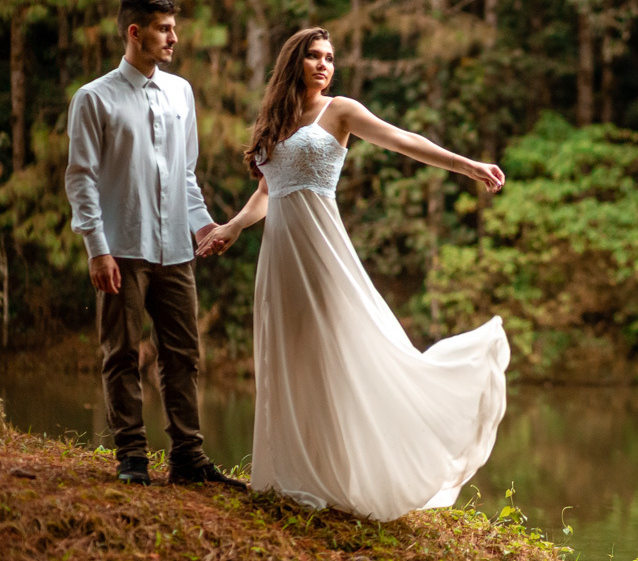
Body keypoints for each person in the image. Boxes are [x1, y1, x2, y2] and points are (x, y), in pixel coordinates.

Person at [196, 27, 510, 520]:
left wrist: (466, 165)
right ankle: (290, 476)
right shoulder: (273, 121)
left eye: (330, 58)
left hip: (321, 252)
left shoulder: (339, 110)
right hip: (279, 257)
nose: (324, 65)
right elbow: (268, 189)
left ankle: (345, 477)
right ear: (292, 62)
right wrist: (233, 227)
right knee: (289, 357)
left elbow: (402, 140)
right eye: (314, 56)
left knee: (337, 351)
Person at [65, 0, 245, 489]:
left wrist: (204, 225)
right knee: (121, 353)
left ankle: (188, 458)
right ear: (134, 32)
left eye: (173, 27)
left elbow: (186, 173)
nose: (174, 37)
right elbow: (81, 178)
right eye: (164, 28)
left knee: (183, 355)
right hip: (121, 246)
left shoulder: (181, 92)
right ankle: (132, 457)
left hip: (176, 251)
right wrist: (96, 248)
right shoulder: (94, 97)